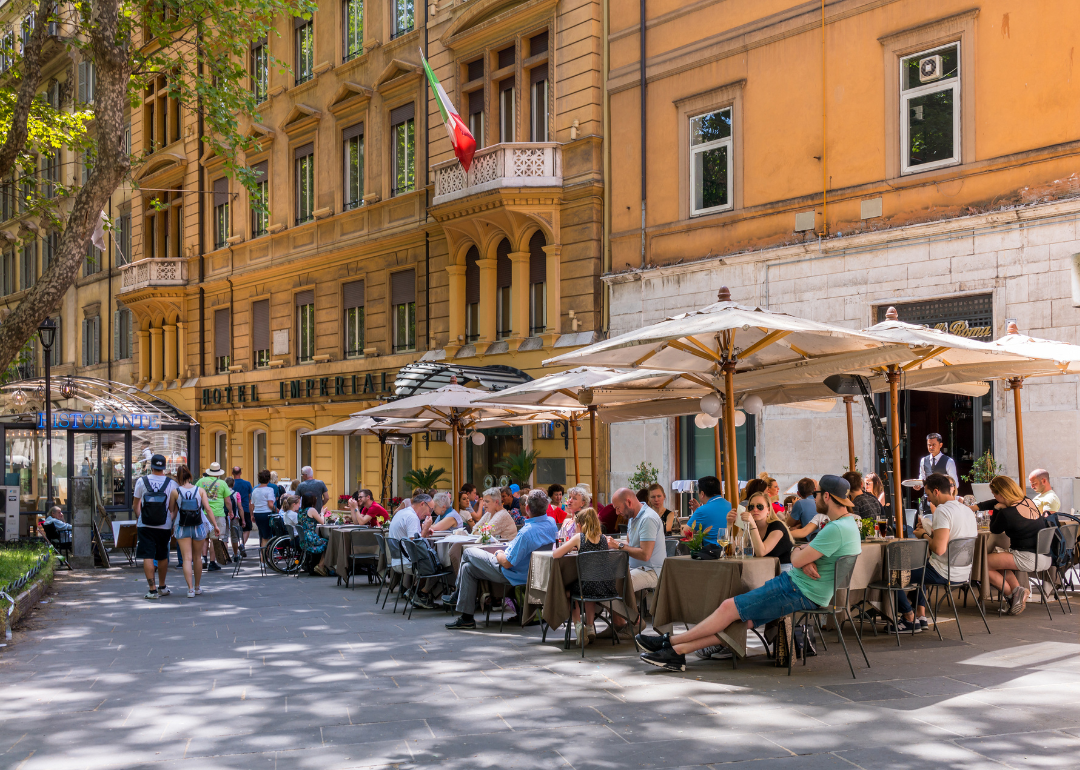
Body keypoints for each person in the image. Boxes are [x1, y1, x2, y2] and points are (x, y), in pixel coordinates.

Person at [636, 474, 861, 671]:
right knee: (738, 621)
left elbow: (794, 556)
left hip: (798, 589)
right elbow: (797, 553)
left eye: (817, 494)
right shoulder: (848, 525)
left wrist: (802, 556)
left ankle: (669, 641)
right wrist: (803, 555)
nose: (814, 498)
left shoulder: (834, 528)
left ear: (827, 497)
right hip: (806, 590)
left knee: (727, 606)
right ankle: (678, 651)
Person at [446, 490, 558, 629]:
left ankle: (457, 593)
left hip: (512, 573)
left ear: (527, 508)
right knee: (467, 569)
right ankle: (466, 618)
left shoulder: (527, 532)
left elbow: (506, 563)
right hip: (532, 572)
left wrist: (499, 553)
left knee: (468, 551)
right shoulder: (551, 523)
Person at [886, 472, 977, 633]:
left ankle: (909, 618)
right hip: (964, 571)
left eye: (928, 494)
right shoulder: (967, 510)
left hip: (943, 571)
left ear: (936, 491)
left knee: (893, 574)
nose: (928, 499)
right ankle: (920, 616)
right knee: (917, 567)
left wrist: (924, 535)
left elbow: (939, 549)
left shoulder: (943, 510)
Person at [976, 475, 1051, 614]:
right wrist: (979, 506)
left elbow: (994, 529)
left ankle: (1012, 595)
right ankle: (1018, 592)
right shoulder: (1028, 501)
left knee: (982, 564)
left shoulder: (1007, 513)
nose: (994, 497)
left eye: (994, 494)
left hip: (1027, 557)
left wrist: (997, 510)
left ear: (1001, 494)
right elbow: (996, 502)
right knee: (996, 561)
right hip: (1044, 555)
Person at [608, 487, 665, 630]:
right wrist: (610, 544)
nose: (617, 512)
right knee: (605, 578)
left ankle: (636, 623)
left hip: (652, 571)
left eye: (618, 508)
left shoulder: (648, 518)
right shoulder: (633, 517)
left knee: (616, 582)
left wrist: (619, 546)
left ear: (628, 502)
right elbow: (630, 545)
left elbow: (645, 554)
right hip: (636, 568)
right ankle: (619, 624)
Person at [553, 507, 612, 644]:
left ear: (579, 525)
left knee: (570, 593)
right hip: (604, 586)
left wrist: (572, 546)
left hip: (585, 586)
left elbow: (556, 554)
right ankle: (590, 627)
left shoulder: (579, 537)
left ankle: (579, 626)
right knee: (588, 592)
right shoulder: (603, 538)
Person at [133, 454, 179, 599]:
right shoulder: (171, 483)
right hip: (164, 525)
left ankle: (152, 590)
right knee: (162, 556)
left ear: (151, 466)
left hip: (145, 525)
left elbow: (136, 504)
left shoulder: (141, 481)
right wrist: (170, 519)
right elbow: (175, 507)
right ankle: (162, 586)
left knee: (147, 555)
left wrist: (140, 517)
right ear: (164, 467)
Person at [171, 465, 218, 598]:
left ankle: (190, 589)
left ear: (178, 478)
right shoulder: (200, 490)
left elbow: (172, 511)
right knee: (197, 558)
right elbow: (208, 509)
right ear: (190, 476)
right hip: (199, 527)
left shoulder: (175, 492)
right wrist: (215, 525)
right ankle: (197, 587)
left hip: (182, 527)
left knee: (187, 558)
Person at [196, 463, 232, 572]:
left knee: (204, 537)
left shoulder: (201, 482)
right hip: (218, 514)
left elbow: (195, 495)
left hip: (204, 514)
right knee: (215, 539)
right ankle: (212, 563)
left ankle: (204, 559)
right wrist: (230, 511)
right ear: (219, 473)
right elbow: (228, 501)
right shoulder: (222, 483)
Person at [681, 475, 730, 546]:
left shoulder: (702, 510)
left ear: (702, 494)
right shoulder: (732, 505)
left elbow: (685, 534)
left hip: (711, 553)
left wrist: (698, 512)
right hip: (730, 551)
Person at [296, 497, 331, 577]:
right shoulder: (311, 509)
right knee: (329, 542)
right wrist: (322, 513)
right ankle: (321, 565)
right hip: (310, 538)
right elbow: (322, 521)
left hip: (303, 539)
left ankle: (317, 565)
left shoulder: (300, 511)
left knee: (325, 540)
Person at [250, 469, 278, 558]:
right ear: (268, 479)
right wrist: (278, 510)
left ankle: (264, 557)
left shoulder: (255, 490)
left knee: (262, 535)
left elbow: (252, 504)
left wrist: (252, 515)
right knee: (266, 537)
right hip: (267, 514)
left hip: (257, 514)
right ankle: (263, 559)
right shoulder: (269, 490)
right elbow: (270, 505)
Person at [231, 466, 253, 554]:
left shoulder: (229, 483)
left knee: (234, 530)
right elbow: (250, 498)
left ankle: (235, 553)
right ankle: (243, 544)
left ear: (232, 473)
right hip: (245, 508)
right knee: (247, 529)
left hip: (233, 510)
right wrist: (252, 512)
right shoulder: (247, 484)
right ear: (240, 473)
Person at [224, 477, 244, 562]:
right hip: (234, 517)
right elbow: (240, 507)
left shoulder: (222, 492)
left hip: (224, 516)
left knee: (224, 537)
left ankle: (225, 556)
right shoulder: (237, 494)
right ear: (233, 484)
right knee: (234, 537)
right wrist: (243, 520)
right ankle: (235, 555)